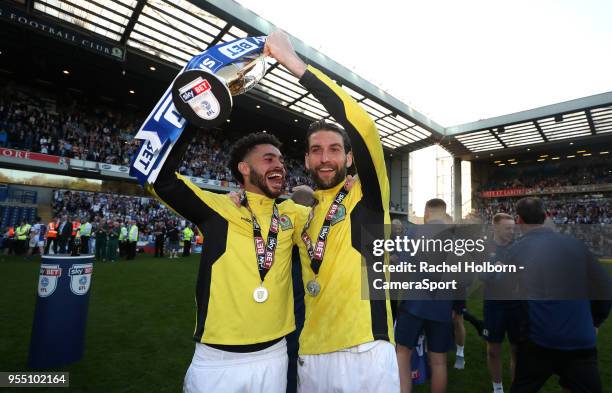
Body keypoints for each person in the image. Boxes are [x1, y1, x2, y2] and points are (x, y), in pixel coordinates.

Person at [264, 30, 398, 393]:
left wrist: (296, 66)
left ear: (349, 157)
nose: (326, 158)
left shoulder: (367, 196)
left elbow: (365, 128)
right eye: (317, 150)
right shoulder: (296, 208)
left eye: (335, 149)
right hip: (311, 353)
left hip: (365, 349)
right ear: (306, 158)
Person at [146, 123, 309, 392]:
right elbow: (161, 181)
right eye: (268, 159)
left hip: (276, 356)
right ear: (244, 169)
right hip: (217, 362)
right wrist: (191, 121)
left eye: (280, 160)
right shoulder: (220, 208)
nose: (279, 165)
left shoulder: (291, 214)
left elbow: (327, 214)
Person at [507, 197, 612, 393]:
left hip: (539, 339)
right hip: (579, 339)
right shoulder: (575, 244)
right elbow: (605, 286)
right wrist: (596, 320)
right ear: (546, 216)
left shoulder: (517, 249)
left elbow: (493, 280)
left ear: (518, 220)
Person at [396, 198, 454, 393]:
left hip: (414, 304)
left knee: (403, 354)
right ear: (444, 213)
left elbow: (402, 269)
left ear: (426, 213)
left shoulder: (414, 233)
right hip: (442, 306)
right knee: (439, 361)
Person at [481, 213, 521, 393]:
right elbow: (480, 275)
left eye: (513, 228)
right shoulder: (484, 247)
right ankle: (498, 388)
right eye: (507, 228)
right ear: (495, 227)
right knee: (493, 350)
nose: (511, 231)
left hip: (516, 305)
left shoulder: (519, 246)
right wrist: (492, 269)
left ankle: (515, 385)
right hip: (494, 305)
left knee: (517, 349)